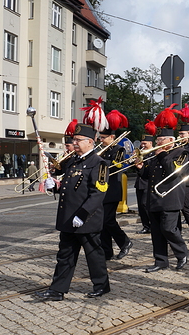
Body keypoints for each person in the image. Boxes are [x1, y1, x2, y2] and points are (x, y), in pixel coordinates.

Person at [35, 123, 110, 301]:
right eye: (74, 140)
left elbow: (97, 194)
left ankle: (101, 286)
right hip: (69, 218)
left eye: (78, 140)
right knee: (65, 256)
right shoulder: (73, 161)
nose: (74, 143)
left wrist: (83, 215)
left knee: (94, 255)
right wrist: (55, 187)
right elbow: (70, 188)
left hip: (86, 219)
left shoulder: (99, 164)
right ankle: (57, 290)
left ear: (90, 142)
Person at [138, 114, 188, 273]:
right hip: (154, 198)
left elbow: (173, 172)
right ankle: (161, 261)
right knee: (157, 232)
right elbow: (148, 175)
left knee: (168, 229)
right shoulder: (154, 155)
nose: (157, 143)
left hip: (170, 198)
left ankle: (182, 253)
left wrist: (162, 154)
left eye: (161, 140)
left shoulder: (181, 152)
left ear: (170, 140)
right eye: (157, 140)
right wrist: (140, 168)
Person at [99, 125, 133, 261]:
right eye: (100, 137)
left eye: (103, 138)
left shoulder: (119, 149)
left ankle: (125, 242)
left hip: (112, 190)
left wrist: (99, 160)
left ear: (112, 137)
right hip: (102, 190)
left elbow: (116, 166)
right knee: (102, 223)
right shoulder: (102, 151)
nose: (101, 140)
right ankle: (107, 252)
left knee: (108, 220)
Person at [134, 135, 154, 234]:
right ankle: (146, 226)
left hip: (148, 183)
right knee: (141, 207)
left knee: (145, 205)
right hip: (139, 183)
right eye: (142, 143)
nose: (142, 145)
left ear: (150, 143)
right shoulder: (140, 152)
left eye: (145, 143)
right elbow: (136, 170)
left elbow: (150, 169)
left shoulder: (154, 154)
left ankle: (152, 225)